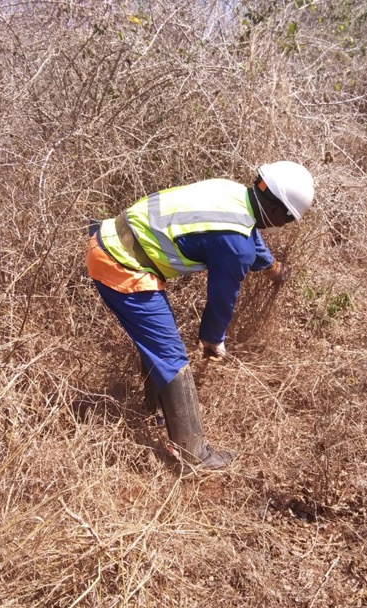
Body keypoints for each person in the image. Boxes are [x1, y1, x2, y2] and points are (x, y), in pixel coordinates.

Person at [87, 161, 314, 475]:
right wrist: (213, 339)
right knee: (171, 355)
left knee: (157, 343)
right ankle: (193, 455)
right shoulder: (237, 246)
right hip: (122, 264)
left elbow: (248, 236)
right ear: (278, 212)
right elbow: (222, 298)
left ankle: (154, 412)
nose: (285, 225)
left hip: (109, 237)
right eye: (288, 219)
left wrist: (273, 269)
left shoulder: (232, 191)